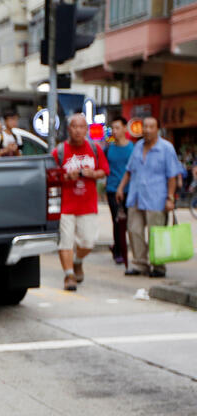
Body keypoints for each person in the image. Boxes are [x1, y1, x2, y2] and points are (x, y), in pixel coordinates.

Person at [116, 116, 180, 278]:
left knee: (156, 233)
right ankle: (139, 264)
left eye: (151, 127)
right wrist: (121, 188)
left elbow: (172, 175)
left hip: (157, 198)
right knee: (134, 230)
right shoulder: (137, 146)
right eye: (145, 127)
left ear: (157, 129)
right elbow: (130, 170)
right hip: (136, 196)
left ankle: (158, 266)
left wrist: (170, 198)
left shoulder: (166, 148)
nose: (147, 130)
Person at [51, 113, 109, 291]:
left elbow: (104, 171)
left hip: (87, 205)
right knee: (66, 242)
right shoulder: (59, 151)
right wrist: (67, 176)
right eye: (74, 126)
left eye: (81, 126)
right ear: (69, 129)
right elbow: (51, 176)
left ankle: (77, 262)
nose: (78, 130)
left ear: (86, 129)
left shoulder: (94, 148)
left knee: (88, 243)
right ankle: (69, 275)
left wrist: (93, 174)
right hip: (65, 206)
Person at [103, 116, 134, 266]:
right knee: (117, 220)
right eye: (112, 128)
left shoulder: (132, 148)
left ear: (125, 129)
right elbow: (103, 167)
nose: (115, 131)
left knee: (128, 222)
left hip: (129, 190)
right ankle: (119, 252)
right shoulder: (108, 148)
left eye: (117, 128)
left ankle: (116, 246)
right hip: (112, 190)